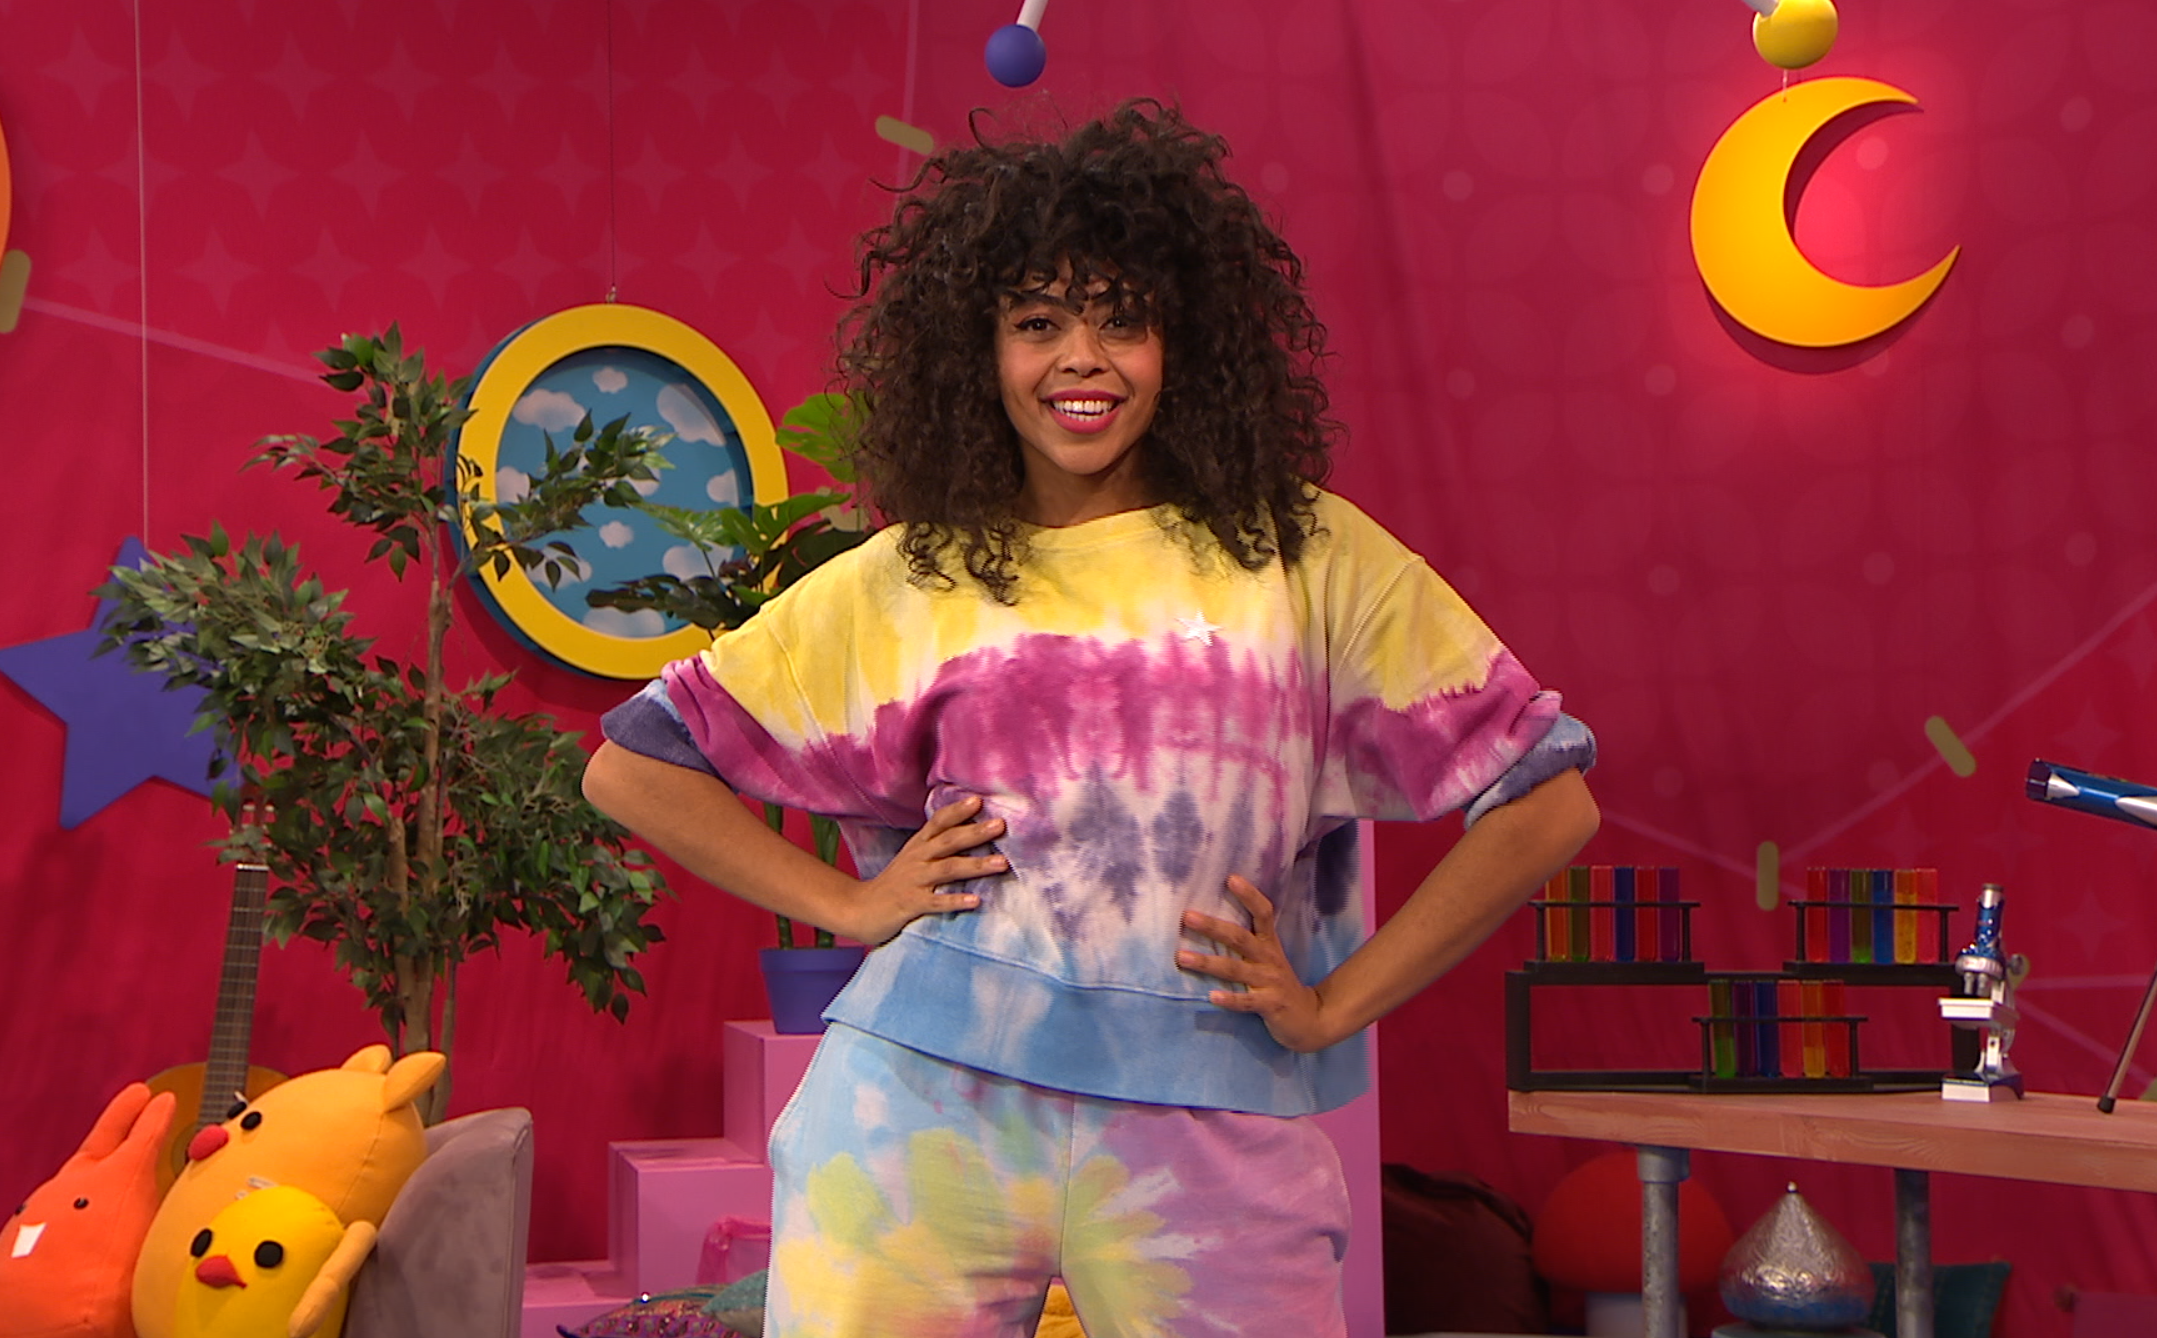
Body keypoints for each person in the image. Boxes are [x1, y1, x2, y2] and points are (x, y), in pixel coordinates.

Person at [583, 100, 1599, 1338]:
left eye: (1123, 319)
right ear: (979, 349)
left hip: (1215, 1119)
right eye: (1037, 323)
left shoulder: (1305, 556)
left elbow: (1545, 799)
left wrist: (1337, 1005)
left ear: (1188, 342)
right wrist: (847, 905)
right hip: (916, 1111)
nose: (1082, 359)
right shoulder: (916, 573)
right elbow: (634, 768)